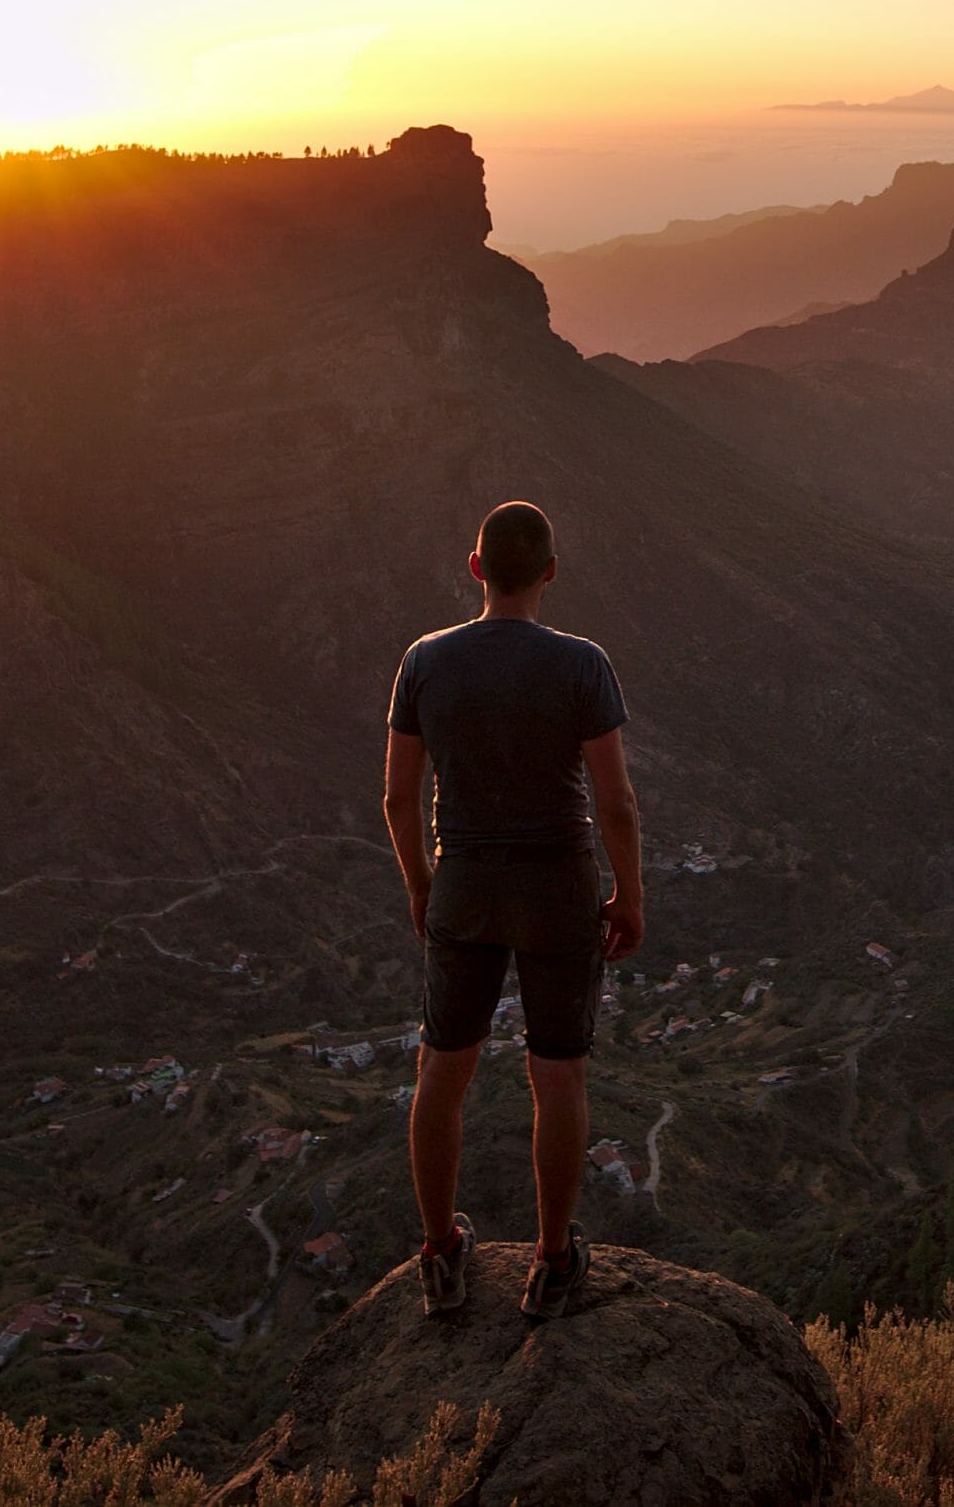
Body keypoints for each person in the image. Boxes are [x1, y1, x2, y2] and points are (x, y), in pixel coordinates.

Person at [382, 500, 646, 1321]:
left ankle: (438, 1253)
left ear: (475, 568)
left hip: (463, 878)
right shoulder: (582, 665)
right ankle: (553, 1260)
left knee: (442, 1070)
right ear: (551, 573)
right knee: (558, 1073)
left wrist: (423, 888)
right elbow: (617, 805)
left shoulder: (425, 661)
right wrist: (629, 894)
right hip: (558, 886)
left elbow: (397, 798)